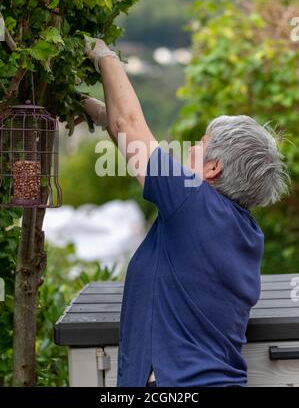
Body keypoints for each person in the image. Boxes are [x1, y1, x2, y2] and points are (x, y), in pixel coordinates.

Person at [82, 37, 290, 387]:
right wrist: (91, 109)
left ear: (212, 170)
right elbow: (122, 128)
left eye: (201, 143)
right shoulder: (242, 230)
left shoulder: (192, 203)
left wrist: (105, 56)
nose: (191, 147)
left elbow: (129, 128)